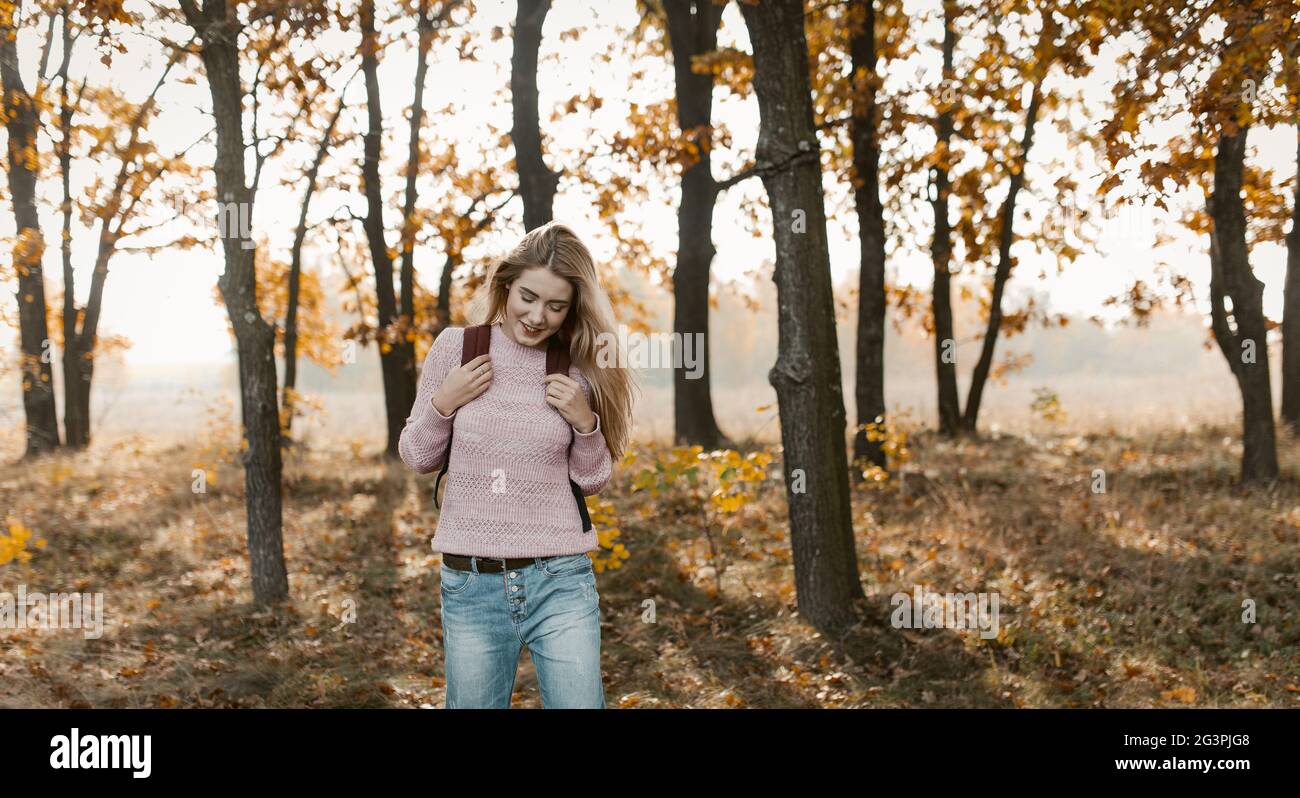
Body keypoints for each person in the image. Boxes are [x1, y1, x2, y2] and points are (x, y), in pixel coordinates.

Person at [398, 221, 638, 709]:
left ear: (572, 309)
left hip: (560, 579)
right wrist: (444, 403)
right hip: (472, 582)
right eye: (527, 297)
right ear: (506, 285)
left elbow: (593, 480)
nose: (536, 316)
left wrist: (585, 423)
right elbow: (417, 457)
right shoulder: (457, 348)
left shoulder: (575, 366)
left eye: (555, 306)